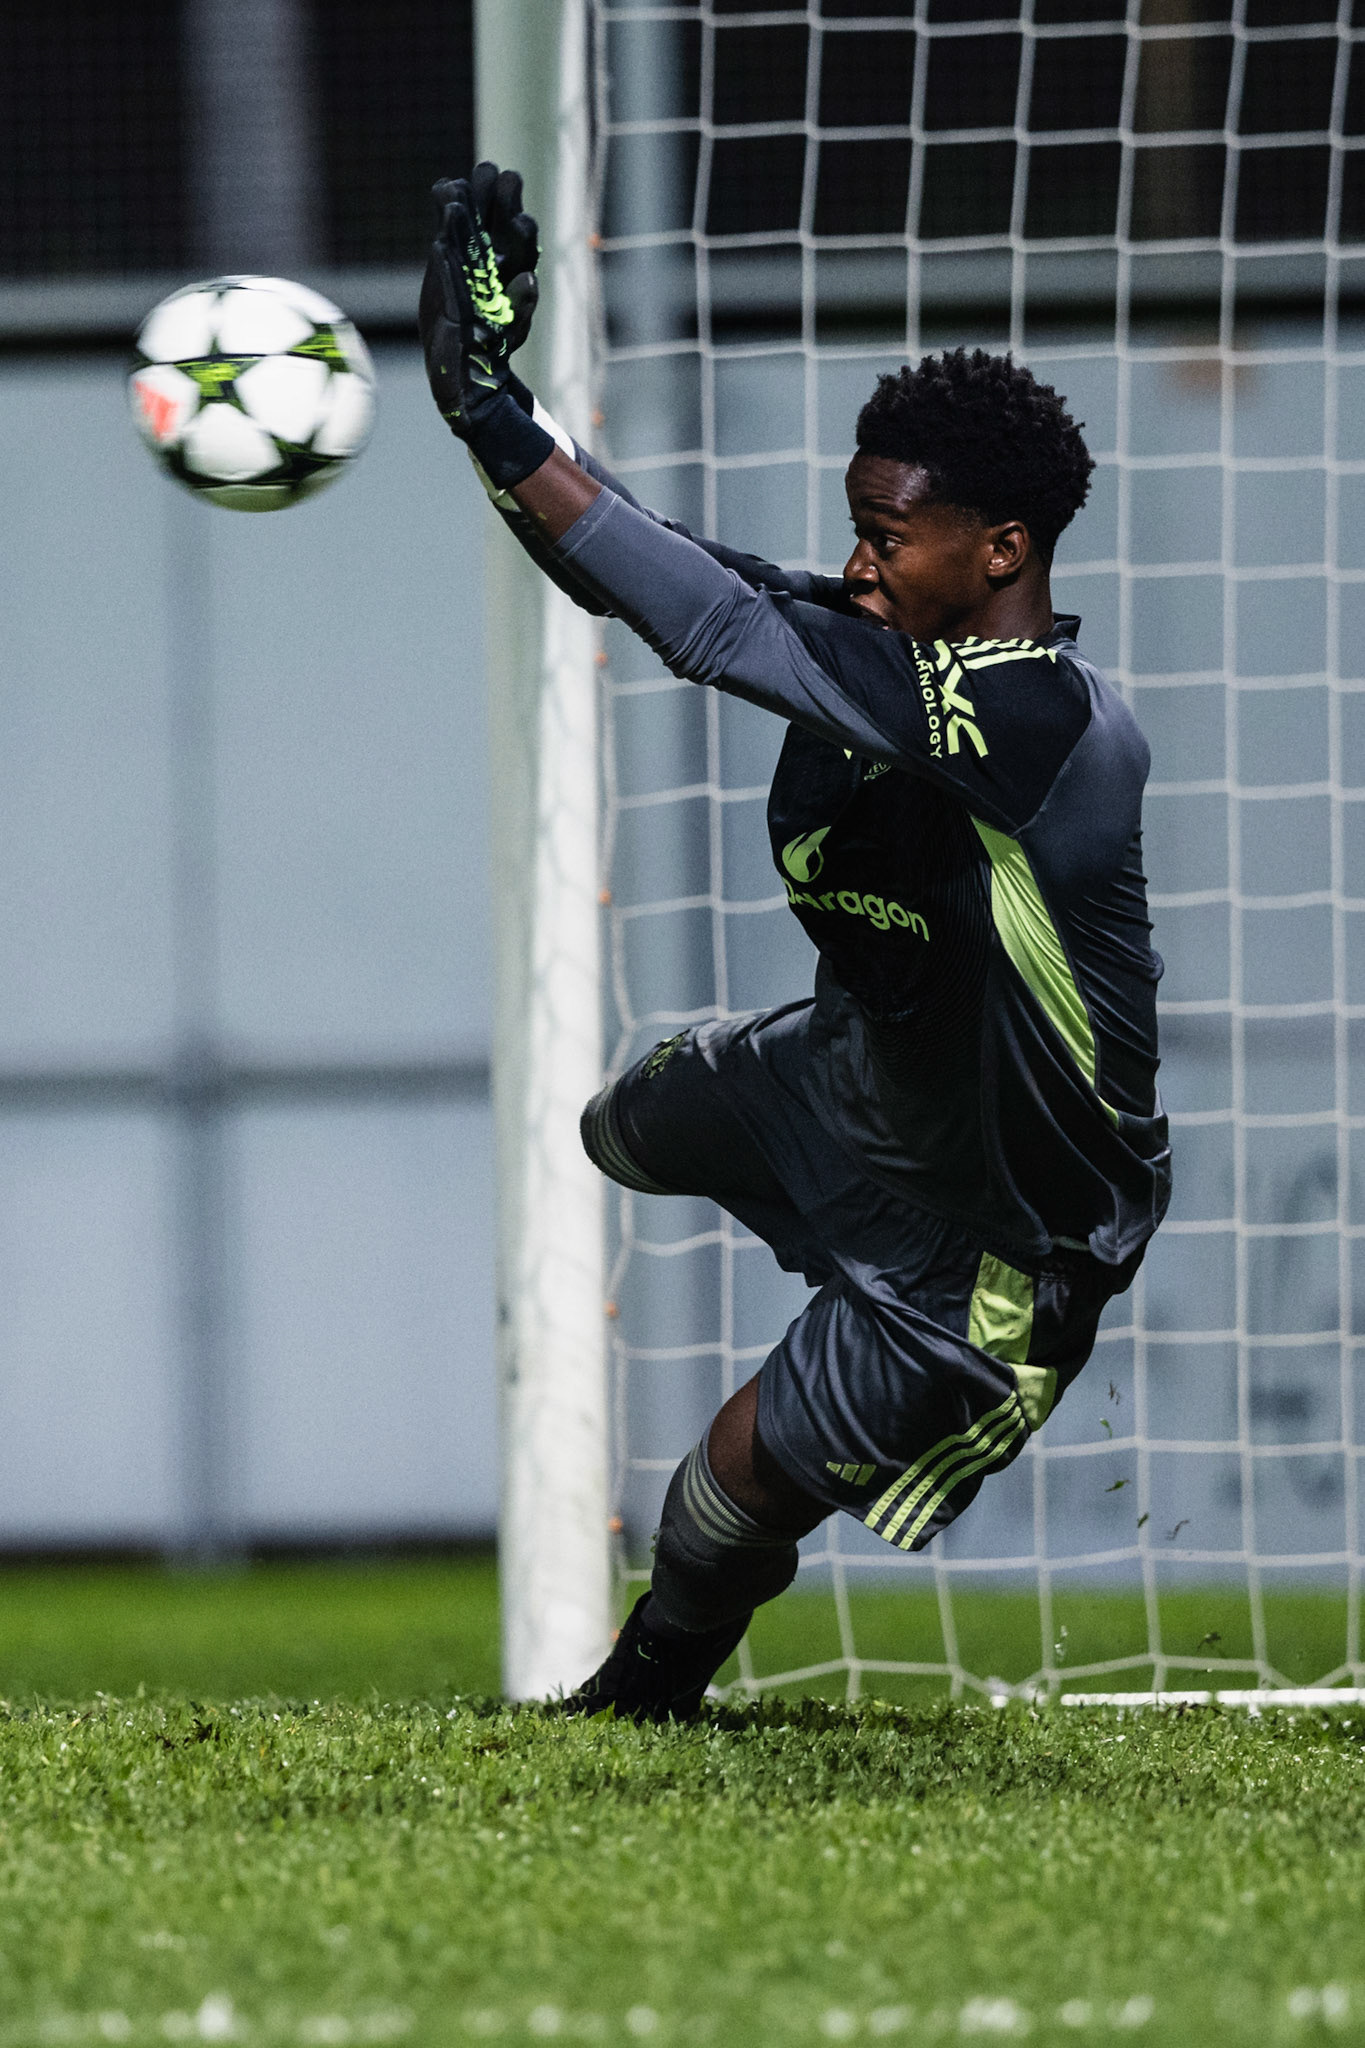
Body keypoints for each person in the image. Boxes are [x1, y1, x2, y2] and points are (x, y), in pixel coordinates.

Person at [420, 166, 1171, 1721]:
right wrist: (507, 420)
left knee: (733, 1483)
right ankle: (801, 1223)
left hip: (1000, 1227)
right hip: (850, 1080)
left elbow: (717, 626)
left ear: (1004, 551)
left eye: (888, 537)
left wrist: (487, 416)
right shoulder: (886, 643)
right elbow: (667, 574)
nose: (855, 564)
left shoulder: (1042, 721)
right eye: (852, 530)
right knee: (619, 1125)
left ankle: (639, 1699)